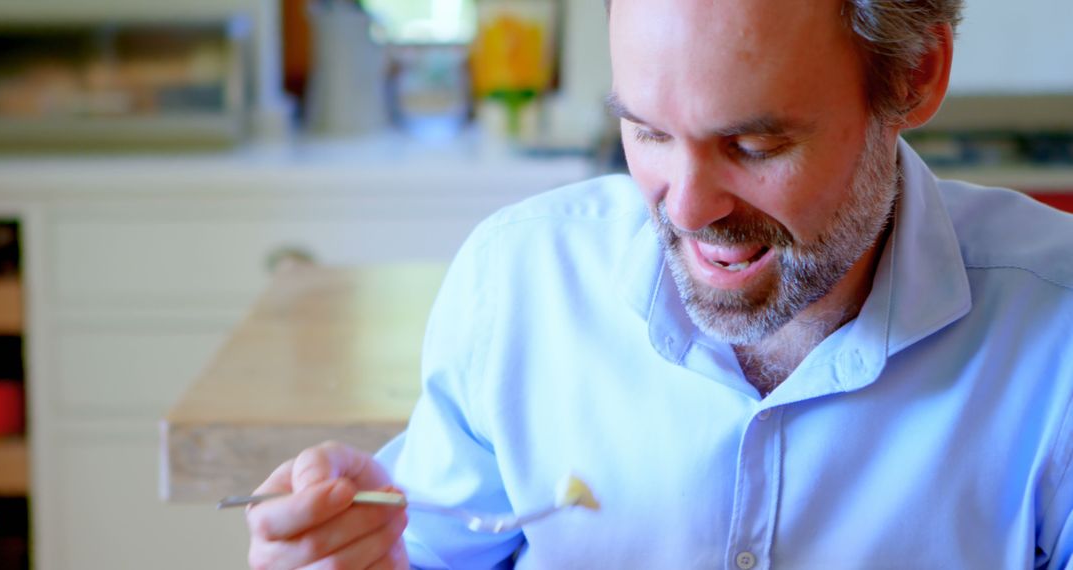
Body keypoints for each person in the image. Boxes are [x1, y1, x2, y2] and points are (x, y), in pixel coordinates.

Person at [245, 0, 1073, 567]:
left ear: (915, 77)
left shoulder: (1056, 336)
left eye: (754, 145)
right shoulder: (520, 285)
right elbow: (432, 549)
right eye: (645, 131)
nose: (685, 206)